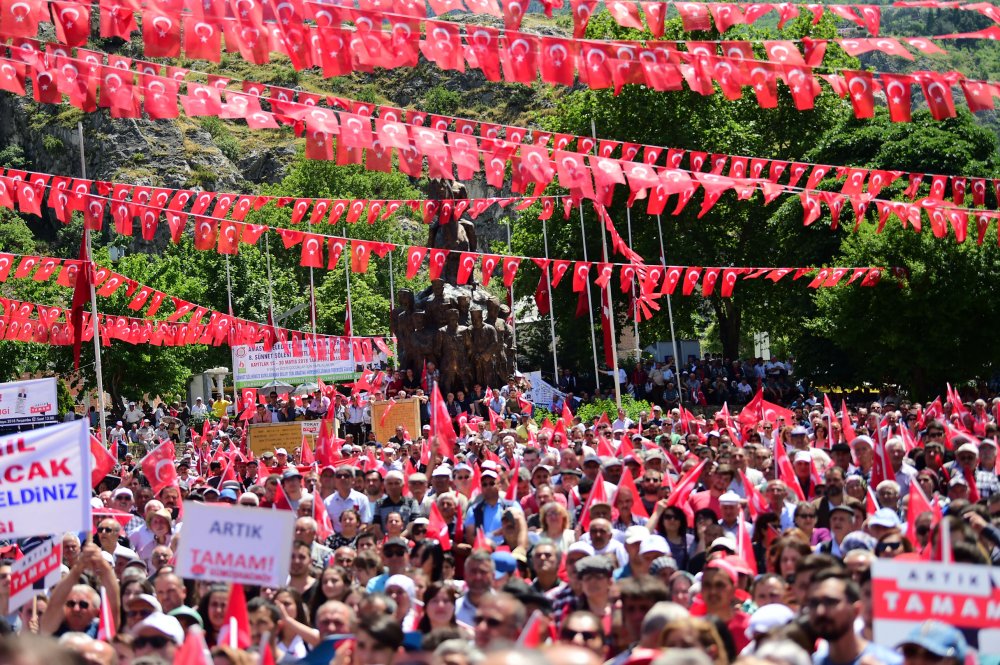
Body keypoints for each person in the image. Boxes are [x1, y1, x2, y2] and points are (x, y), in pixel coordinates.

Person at [808, 568, 902, 665]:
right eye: (813, 603)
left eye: (831, 602)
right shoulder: (810, 662)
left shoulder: (888, 661)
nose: (820, 612)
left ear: (856, 610)